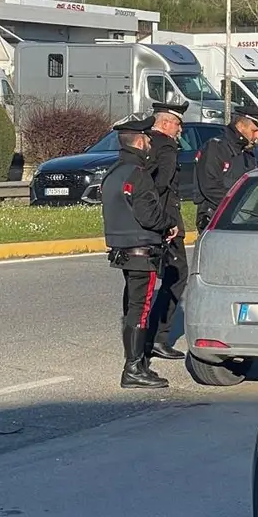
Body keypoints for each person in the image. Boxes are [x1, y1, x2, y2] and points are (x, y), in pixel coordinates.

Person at [101, 113, 180, 389]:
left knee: (133, 307)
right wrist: (169, 223)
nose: (150, 142)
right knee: (141, 309)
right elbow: (149, 215)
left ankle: (138, 363)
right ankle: (134, 368)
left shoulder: (113, 172)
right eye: (147, 138)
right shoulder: (139, 174)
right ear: (138, 141)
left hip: (122, 249)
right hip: (141, 250)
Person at [145, 101, 189, 361]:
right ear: (164, 123)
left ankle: (147, 335)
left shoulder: (146, 143)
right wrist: (167, 222)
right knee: (176, 275)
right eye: (177, 124)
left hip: (149, 220)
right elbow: (162, 187)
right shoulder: (166, 147)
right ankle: (158, 337)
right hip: (166, 222)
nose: (180, 129)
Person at [194, 105, 258, 231]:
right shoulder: (216, 148)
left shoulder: (247, 152)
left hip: (243, 218)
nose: (257, 136)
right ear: (240, 126)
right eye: (254, 130)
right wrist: (237, 204)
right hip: (217, 218)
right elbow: (210, 186)